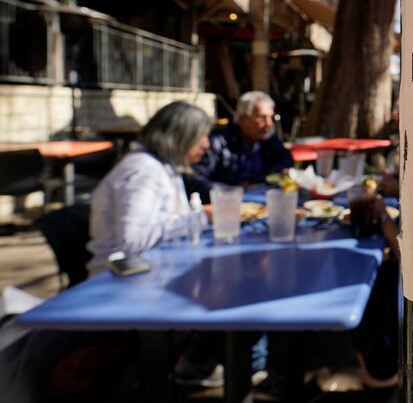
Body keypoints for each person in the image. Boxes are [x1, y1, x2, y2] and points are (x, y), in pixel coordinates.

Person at [86, 101, 211, 274]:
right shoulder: (144, 170)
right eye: (200, 136)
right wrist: (201, 217)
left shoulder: (163, 166)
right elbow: (132, 241)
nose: (206, 144)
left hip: (153, 268)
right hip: (121, 279)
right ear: (178, 137)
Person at [188, 91, 293, 203]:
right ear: (243, 119)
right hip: (225, 205)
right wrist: (234, 190)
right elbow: (195, 179)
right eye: (262, 117)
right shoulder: (218, 142)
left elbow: (286, 161)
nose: (268, 124)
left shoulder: (267, 138)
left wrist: (258, 180)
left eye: (271, 118)